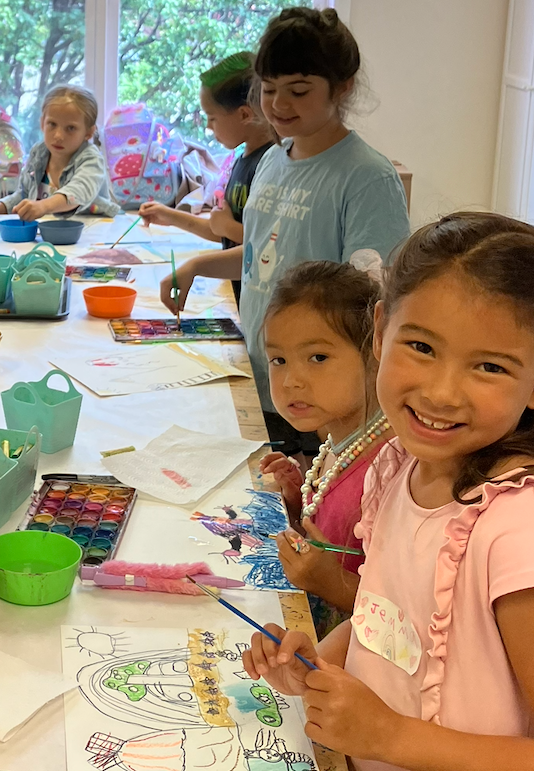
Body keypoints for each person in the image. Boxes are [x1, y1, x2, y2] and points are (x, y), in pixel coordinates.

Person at [244, 211, 534, 771]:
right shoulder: (395, 466)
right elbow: (383, 618)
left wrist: (392, 733)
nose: (439, 390)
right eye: (420, 346)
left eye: (489, 366)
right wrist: (319, 658)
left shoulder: (513, 530)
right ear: (379, 332)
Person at [161, 8, 409, 454]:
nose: (277, 105)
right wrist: (197, 266)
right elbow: (263, 255)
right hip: (260, 373)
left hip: (318, 398)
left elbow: (372, 302)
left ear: (343, 87)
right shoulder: (273, 160)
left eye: (298, 90)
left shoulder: (367, 177)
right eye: (269, 89)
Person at [259, 260, 389, 637]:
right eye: (278, 360)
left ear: (374, 351)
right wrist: (296, 501)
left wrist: (330, 584)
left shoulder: (391, 469)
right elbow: (330, 533)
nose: (291, 381)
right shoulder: (337, 441)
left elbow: (406, 614)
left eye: (317, 358)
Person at [139, 52, 273, 303]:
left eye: (212, 118)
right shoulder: (242, 158)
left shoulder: (271, 165)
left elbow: (273, 245)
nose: (208, 128)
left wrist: (227, 228)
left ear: (245, 115)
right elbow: (223, 231)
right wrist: (171, 216)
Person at [0, 85, 120, 221]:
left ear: (88, 132)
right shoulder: (39, 153)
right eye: (52, 124)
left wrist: (43, 206)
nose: (58, 136)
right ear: (42, 123)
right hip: (46, 235)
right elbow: (23, 196)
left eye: (70, 128)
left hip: (91, 234)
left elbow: (78, 192)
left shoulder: (91, 158)